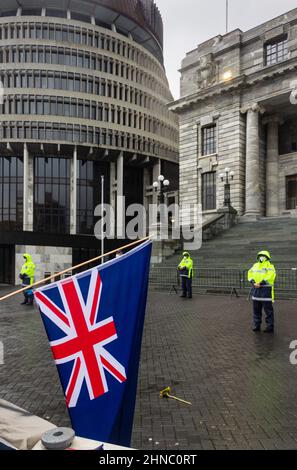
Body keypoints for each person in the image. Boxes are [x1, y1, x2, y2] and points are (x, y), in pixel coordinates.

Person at [248, 251, 276, 333]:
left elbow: (270, 276)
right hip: (256, 291)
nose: (262, 257)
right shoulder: (255, 265)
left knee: (268, 311)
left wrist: (260, 283)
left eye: (263, 256)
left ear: (267, 257)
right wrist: (253, 282)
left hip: (265, 291)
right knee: (256, 310)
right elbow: (250, 273)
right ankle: (257, 325)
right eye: (260, 256)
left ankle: (270, 327)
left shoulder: (270, 266)